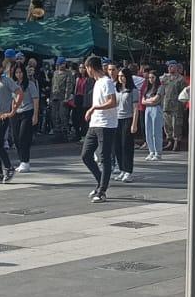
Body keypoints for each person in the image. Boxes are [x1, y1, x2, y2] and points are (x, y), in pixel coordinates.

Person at [80, 56, 118, 203]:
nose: (85, 70)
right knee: (86, 155)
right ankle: (100, 181)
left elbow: (112, 102)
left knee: (104, 157)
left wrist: (94, 107)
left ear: (90, 67)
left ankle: (102, 191)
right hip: (95, 124)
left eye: (86, 67)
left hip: (106, 124)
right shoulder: (97, 83)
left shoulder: (106, 82)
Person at [10, 61, 40, 173]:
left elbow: (35, 99)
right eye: (16, 72)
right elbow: (12, 99)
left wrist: (35, 115)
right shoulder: (12, 84)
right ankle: (21, 160)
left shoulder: (30, 84)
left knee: (23, 137)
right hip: (15, 113)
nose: (19, 74)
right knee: (16, 138)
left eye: (20, 72)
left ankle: (25, 161)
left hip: (27, 111)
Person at [111, 64, 138, 183]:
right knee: (117, 146)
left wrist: (134, 124)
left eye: (123, 76)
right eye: (120, 76)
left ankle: (128, 171)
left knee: (126, 145)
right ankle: (121, 168)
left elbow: (136, 108)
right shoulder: (116, 89)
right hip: (117, 119)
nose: (121, 78)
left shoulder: (133, 90)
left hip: (128, 118)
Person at [160, 61, 188, 153]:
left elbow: (184, 93)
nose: (169, 68)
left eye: (172, 66)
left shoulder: (181, 79)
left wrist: (183, 105)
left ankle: (177, 142)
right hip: (166, 105)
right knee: (167, 125)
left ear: (176, 67)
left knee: (176, 124)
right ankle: (170, 141)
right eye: (169, 67)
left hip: (177, 105)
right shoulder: (165, 78)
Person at [141, 69, 165, 161]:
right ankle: (151, 151)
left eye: (153, 77)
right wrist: (149, 101)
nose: (151, 79)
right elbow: (143, 101)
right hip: (148, 110)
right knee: (149, 131)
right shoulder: (147, 88)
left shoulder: (160, 87)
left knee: (156, 131)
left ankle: (158, 152)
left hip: (156, 109)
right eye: (149, 78)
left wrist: (149, 101)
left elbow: (156, 99)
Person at [50, 58, 76, 142]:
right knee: (55, 116)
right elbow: (53, 85)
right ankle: (57, 134)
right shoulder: (55, 73)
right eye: (61, 64)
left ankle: (65, 134)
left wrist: (66, 98)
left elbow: (69, 86)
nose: (63, 65)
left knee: (63, 116)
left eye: (64, 63)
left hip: (62, 98)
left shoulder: (68, 73)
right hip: (54, 97)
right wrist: (51, 97)